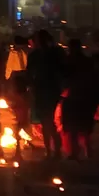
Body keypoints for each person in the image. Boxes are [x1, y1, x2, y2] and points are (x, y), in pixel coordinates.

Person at [27, 30, 64, 158]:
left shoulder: (53, 54)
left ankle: (54, 150)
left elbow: (61, 71)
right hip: (43, 91)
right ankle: (50, 150)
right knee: (46, 122)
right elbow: (29, 74)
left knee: (49, 121)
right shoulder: (37, 55)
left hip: (49, 91)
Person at [61, 39, 99, 160]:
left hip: (77, 97)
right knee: (80, 127)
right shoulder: (84, 61)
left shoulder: (74, 62)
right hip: (80, 97)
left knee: (77, 127)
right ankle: (80, 152)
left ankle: (79, 152)